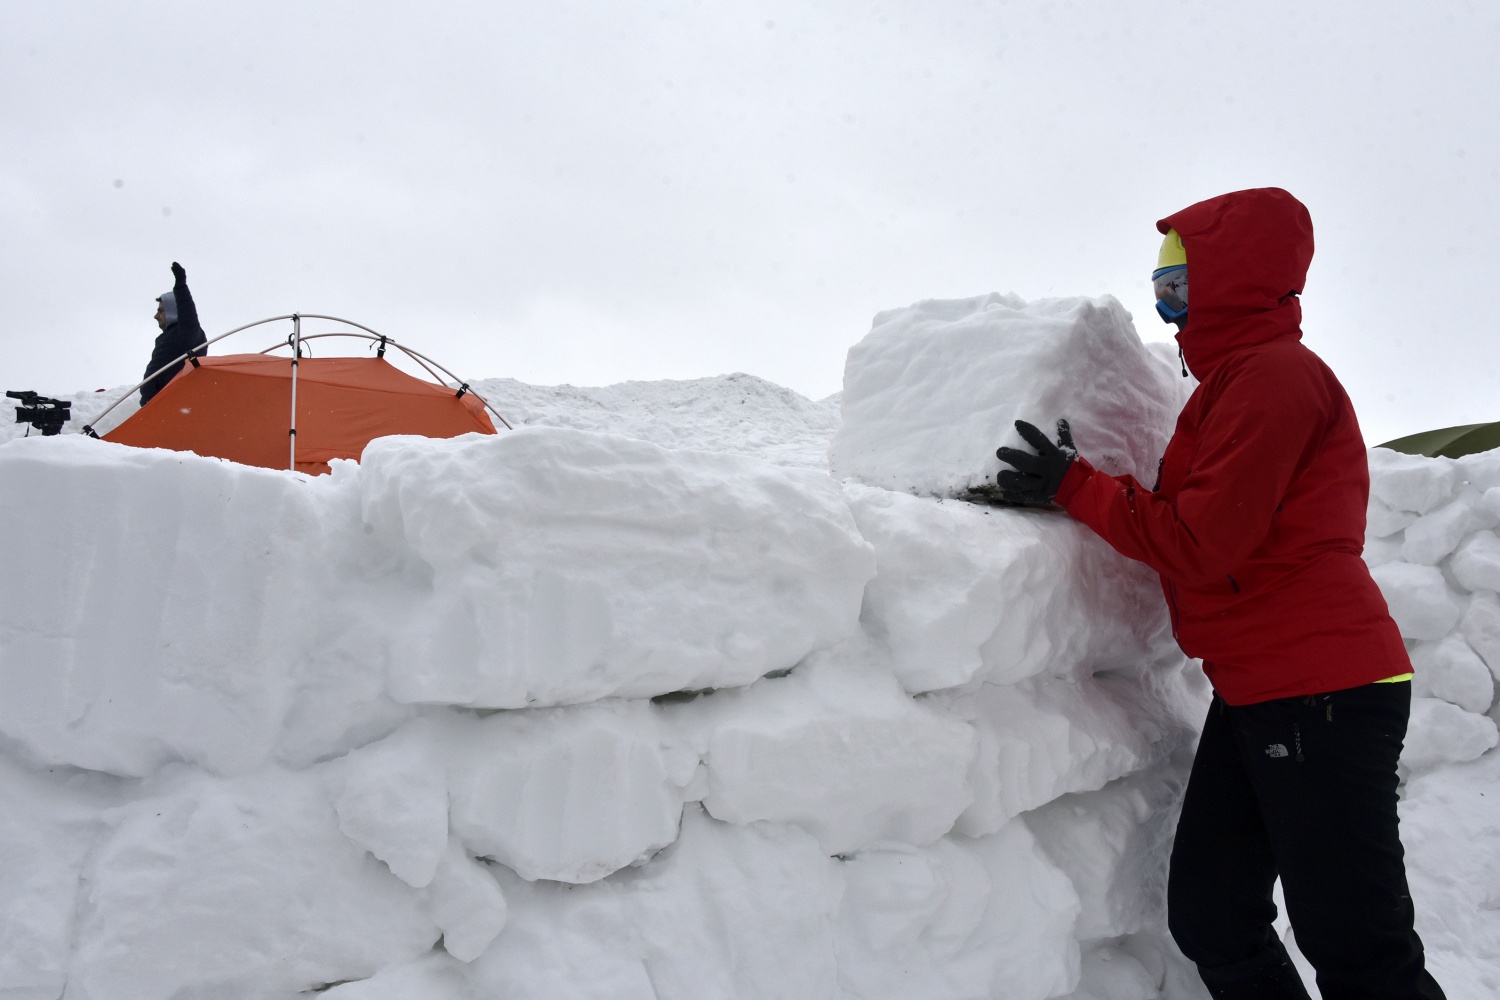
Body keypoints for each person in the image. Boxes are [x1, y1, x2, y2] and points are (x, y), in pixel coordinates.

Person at [995, 188, 1445, 1000]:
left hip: (1324, 688)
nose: (1168, 314)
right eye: (1159, 291)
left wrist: (1075, 485)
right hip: (1265, 688)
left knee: (1358, 946)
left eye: (1180, 289)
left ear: (1233, 283)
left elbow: (1204, 541)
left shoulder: (1275, 379)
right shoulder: (1234, 382)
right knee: (1213, 913)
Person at [141, 261, 207, 405]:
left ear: (173, 311)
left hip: (174, 404)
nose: (156, 315)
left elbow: (187, 314)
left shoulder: (188, 334)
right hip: (156, 406)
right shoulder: (169, 336)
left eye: (160, 310)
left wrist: (181, 287)